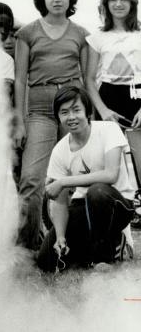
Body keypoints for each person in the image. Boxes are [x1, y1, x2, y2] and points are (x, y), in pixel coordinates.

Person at [14, 0, 88, 252]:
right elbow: (20, 80)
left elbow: (87, 79)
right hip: (40, 110)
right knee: (32, 178)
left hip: (72, 108)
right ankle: (28, 244)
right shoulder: (27, 33)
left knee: (73, 175)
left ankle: (71, 242)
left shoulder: (82, 35)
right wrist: (19, 122)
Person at [37, 86, 135, 272]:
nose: (71, 117)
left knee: (97, 191)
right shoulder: (60, 150)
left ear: (87, 112)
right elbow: (59, 200)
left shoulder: (108, 129)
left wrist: (64, 181)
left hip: (118, 204)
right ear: (58, 117)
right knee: (46, 261)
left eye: (76, 110)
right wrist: (59, 237)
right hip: (83, 207)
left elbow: (110, 175)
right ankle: (95, 247)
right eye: (64, 112)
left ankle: (103, 259)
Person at [86, 0, 141, 129]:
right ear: (107, 3)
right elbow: (89, 80)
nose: (118, 4)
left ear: (132, 3)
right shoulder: (96, 37)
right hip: (108, 101)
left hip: (137, 95)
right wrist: (103, 111)